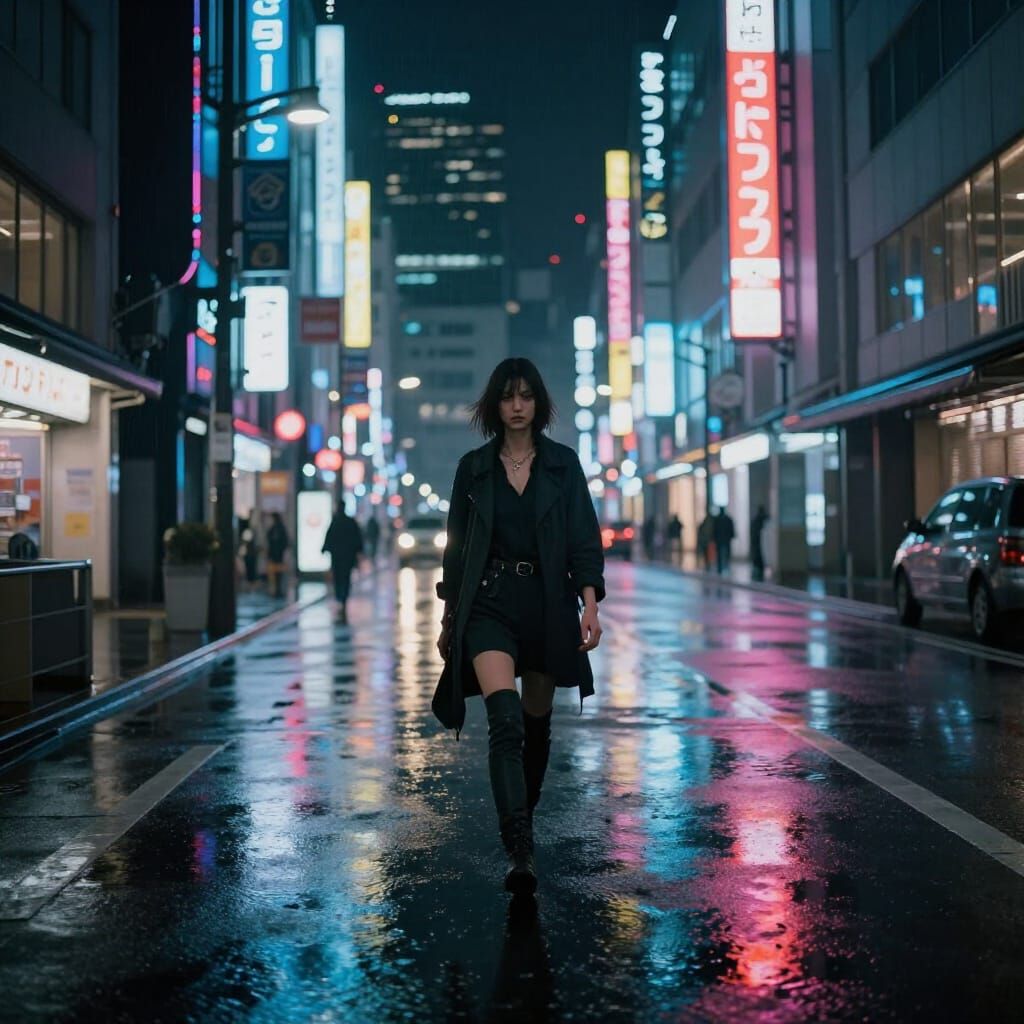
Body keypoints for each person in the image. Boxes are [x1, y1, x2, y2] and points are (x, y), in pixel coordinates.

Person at [433, 357, 605, 896]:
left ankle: (520, 815)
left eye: (526, 396)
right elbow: (457, 550)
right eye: (507, 396)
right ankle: (519, 847)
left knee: (534, 725)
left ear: (538, 404)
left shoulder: (563, 465)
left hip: (548, 605)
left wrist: (590, 604)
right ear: (494, 404)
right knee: (504, 720)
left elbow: (583, 538)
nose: (516, 406)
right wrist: (450, 615)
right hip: (488, 605)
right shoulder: (473, 469)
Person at [321, 500, 364, 623]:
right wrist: (359, 551)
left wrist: (325, 548)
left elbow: (329, 537)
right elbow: (357, 538)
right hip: (347, 557)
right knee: (345, 578)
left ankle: (340, 598)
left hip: (338, 556)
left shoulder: (336, 521)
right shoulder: (349, 522)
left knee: (338, 577)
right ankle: (343, 598)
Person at [266, 512, 290, 598]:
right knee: (277, 574)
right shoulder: (277, 528)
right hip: (277, 555)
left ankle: (278, 590)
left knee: (277, 574)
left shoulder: (276, 528)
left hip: (276, 555)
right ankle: (277, 590)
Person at [714, 506, 736, 575]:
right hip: (722, 539)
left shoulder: (720, 519)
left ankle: (724, 567)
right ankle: (721, 567)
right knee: (721, 554)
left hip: (724, 539)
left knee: (725, 553)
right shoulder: (719, 519)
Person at [750, 504, 770, 581]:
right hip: (758, 542)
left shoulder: (757, 520)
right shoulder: (763, 520)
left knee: (758, 556)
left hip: (758, 542)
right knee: (759, 556)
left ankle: (758, 571)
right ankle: (759, 571)